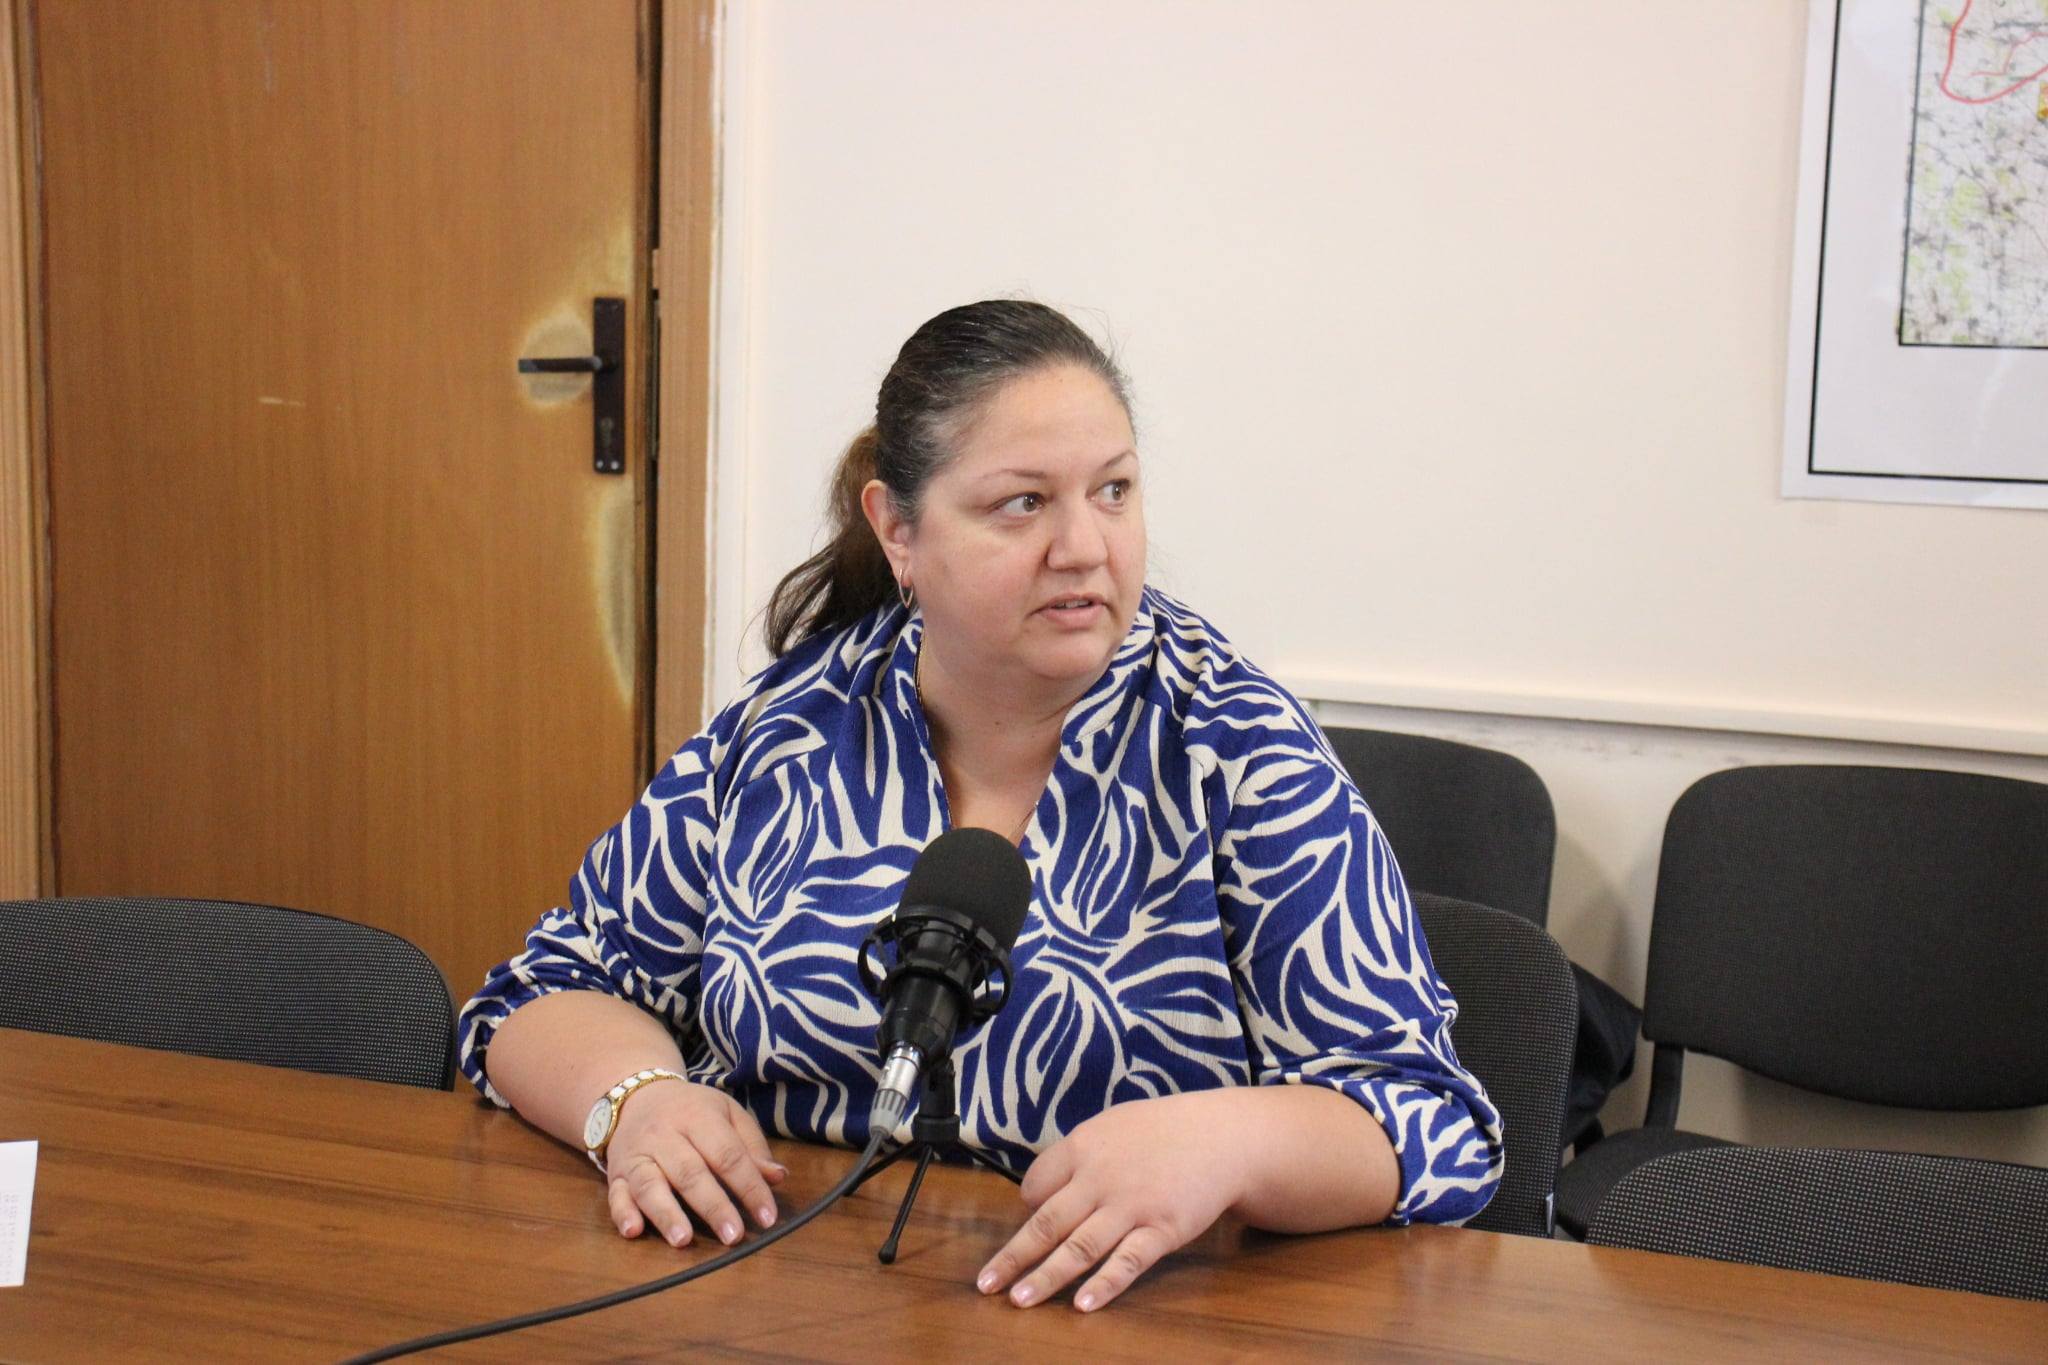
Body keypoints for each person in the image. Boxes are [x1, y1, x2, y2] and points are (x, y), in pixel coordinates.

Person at [458, 300, 1503, 1314]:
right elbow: (541, 992)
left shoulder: (1237, 749)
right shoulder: (792, 727)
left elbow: (1429, 1119)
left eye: (1113, 491)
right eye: (1022, 504)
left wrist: (1231, 1144)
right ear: (897, 531)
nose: (1084, 546)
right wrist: (632, 1103)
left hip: (1125, 1316)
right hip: (774, 1291)